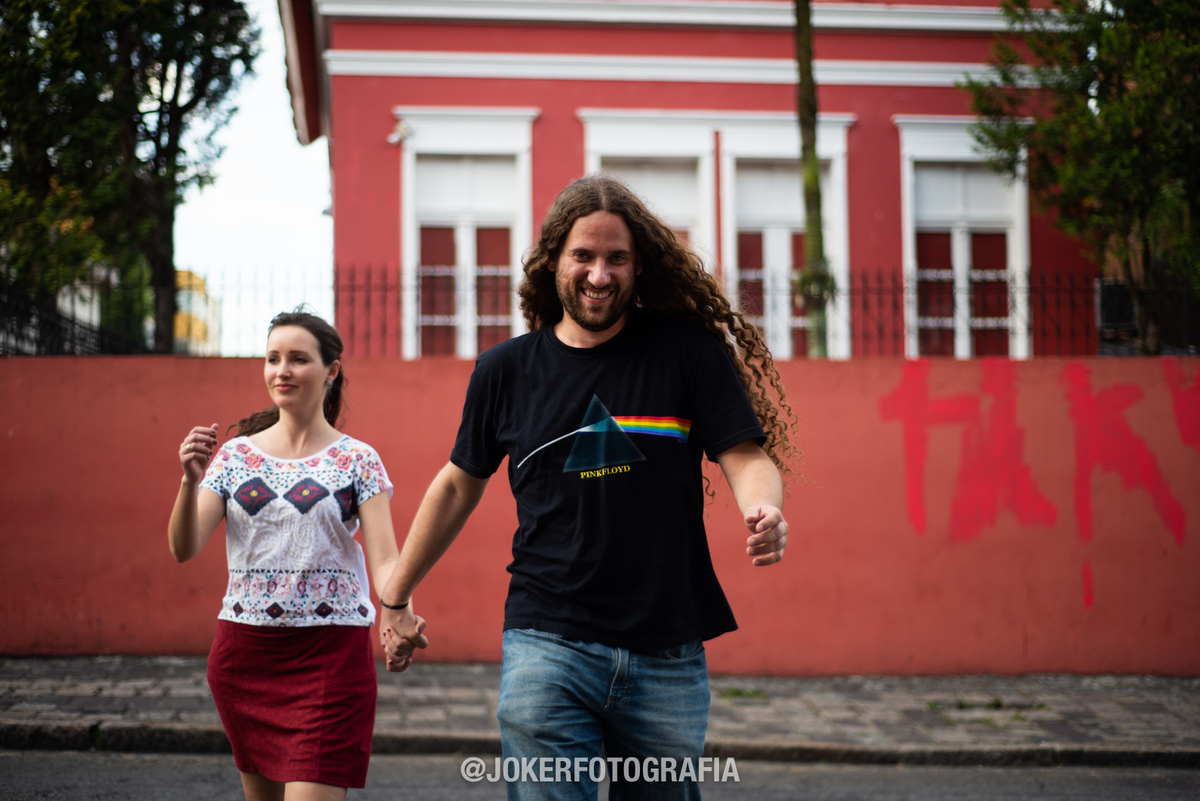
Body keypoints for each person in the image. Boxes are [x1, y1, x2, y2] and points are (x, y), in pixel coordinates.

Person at [379, 174, 796, 800]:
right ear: (554, 262)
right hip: (547, 643)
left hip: (667, 649)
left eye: (616, 258)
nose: (600, 274)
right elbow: (457, 486)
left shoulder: (687, 352)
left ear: (639, 266)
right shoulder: (506, 371)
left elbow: (743, 454)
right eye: (584, 255)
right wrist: (396, 596)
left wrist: (765, 506)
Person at [169, 309, 403, 801]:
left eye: (298, 359)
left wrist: (398, 610)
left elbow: (384, 560)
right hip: (245, 657)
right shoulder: (234, 457)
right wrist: (190, 481)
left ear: (331, 371)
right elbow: (184, 547)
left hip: (331, 659)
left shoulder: (358, 460)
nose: (282, 371)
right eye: (273, 358)